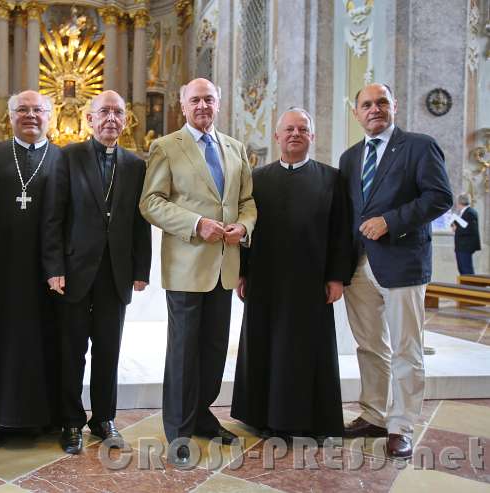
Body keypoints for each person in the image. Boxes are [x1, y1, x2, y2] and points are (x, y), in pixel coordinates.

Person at [139, 78, 257, 467]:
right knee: (184, 352)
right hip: (188, 265)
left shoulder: (236, 148)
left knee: (213, 351)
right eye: (195, 100)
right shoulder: (166, 147)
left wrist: (245, 226)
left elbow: (247, 201)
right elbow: (150, 202)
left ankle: (202, 415)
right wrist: (195, 224)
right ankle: (178, 429)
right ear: (182, 105)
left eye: (209, 99)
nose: (203, 105)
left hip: (225, 265)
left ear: (219, 103)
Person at [340, 83, 452, 458]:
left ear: (395, 106)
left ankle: (401, 424)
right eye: (367, 104)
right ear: (355, 112)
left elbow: (439, 197)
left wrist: (391, 221)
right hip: (359, 265)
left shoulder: (419, 146)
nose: (375, 109)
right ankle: (373, 413)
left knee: (406, 347)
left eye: (382, 102)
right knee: (369, 345)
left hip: (402, 261)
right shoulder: (350, 157)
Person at [231, 108, 351, 441]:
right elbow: (247, 230)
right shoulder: (257, 178)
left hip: (311, 282)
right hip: (265, 280)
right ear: (277, 136)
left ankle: (310, 418)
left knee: (304, 349)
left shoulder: (332, 178)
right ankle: (262, 416)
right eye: (289, 129)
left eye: (302, 129)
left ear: (312, 136)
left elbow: (341, 231)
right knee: (266, 346)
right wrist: (242, 272)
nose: (295, 134)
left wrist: (337, 276)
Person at [43, 90, 152, 455]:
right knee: (73, 350)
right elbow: (54, 216)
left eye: (118, 112)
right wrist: (54, 266)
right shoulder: (67, 156)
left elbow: (139, 222)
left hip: (115, 273)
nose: (111, 118)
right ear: (90, 119)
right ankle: (71, 421)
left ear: (126, 120)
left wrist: (141, 268)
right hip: (74, 271)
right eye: (104, 111)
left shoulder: (136, 165)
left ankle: (103, 419)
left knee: (109, 350)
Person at [0, 91, 63, 447]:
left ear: (50, 115)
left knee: (41, 343)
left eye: (37, 110)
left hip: (46, 274)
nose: (30, 115)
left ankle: (41, 420)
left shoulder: (62, 159)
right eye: (23, 109)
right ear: (10, 116)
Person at [452, 193, 481, 275]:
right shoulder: (463, 212)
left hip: (466, 246)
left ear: (459, 202)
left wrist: (457, 229)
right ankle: (464, 287)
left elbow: (471, 230)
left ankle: (471, 287)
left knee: (467, 271)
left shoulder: (470, 212)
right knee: (462, 270)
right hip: (461, 246)